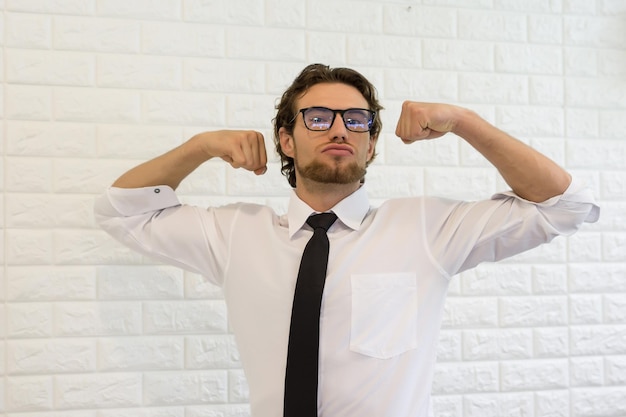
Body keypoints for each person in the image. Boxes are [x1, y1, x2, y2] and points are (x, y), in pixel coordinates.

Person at [94, 63, 599, 417]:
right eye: (318, 117)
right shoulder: (235, 235)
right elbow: (122, 212)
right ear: (286, 140)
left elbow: (565, 206)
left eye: (356, 120)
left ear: (372, 142)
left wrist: (464, 122)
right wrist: (201, 146)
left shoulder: (425, 230)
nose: (339, 129)